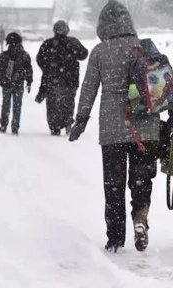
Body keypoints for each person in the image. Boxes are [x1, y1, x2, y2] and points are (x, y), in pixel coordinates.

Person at [69, 0, 160, 253]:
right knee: (141, 180)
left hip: (112, 129)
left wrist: (81, 120)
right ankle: (140, 219)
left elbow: (88, 89)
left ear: (102, 25)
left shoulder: (100, 51)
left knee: (114, 184)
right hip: (146, 127)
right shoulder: (143, 48)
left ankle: (115, 238)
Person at [37, 20, 88, 136]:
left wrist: (47, 68)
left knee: (52, 104)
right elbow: (84, 54)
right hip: (70, 80)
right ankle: (67, 123)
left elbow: (39, 59)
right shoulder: (73, 42)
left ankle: (54, 126)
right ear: (67, 30)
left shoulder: (48, 44)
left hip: (52, 80)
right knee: (68, 103)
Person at [0, 32, 33, 136]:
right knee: (17, 106)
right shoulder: (25, 55)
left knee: (6, 105)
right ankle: (15, 126)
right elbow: (29, 70)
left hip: (6, 84)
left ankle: (3, 124)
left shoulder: (4, 55)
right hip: (18, 84)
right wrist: (29, 81)